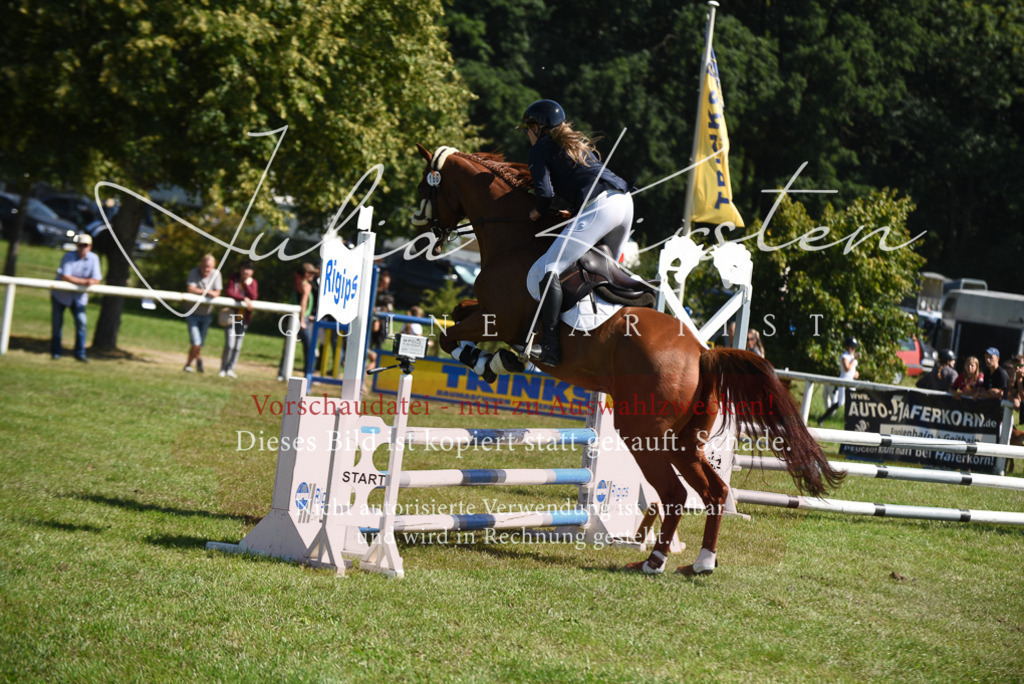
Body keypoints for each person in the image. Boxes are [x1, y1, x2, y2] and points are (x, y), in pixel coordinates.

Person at [519, 99, 634, 366]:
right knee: (605, 271)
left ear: (537, 127)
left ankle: (549, 347)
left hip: (602, 207)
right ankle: (605, 335)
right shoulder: (573, 144)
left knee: (549, 267)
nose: (527, 134)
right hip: (624, 202)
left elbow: (545, 194)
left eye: (527, 128)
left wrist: (538, 212)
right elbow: (583, 181)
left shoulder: (541, 148)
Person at [51, 233, 102, 362]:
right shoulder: (69, 256)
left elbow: (97, 279)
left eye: (85, 245)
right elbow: (65, 276)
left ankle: (80, 353)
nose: (83, 248)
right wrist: (85, 282)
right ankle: (56, 352)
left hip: (79, 298)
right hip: (60, 296)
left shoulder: (94, 258)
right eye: (80, 245)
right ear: (76, 246)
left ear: (90, 246)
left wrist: (90, 281)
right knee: (57, 324)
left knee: (82, 323)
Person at [278, 262, 318, 381]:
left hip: (292, 318)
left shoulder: (297, 284)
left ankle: (281, 373)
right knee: (310, 348)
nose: (313, 276)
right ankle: (308, 375)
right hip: (301, 319)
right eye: (312, 273)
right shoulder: (306, 286)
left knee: (288, 346)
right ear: (306, 274)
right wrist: (303, 320)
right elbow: (303, 303)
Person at [183, 254, 223, 373]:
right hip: (192, 313)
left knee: (199, 343)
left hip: (206, 314)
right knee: (196, 341)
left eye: (209, 267)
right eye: (205, 266)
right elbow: (190, 289)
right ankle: (199, 361)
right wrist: (206, 292)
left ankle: (189, 365)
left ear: (213, 266)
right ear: (201, 265)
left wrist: (208, 293)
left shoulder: (216, 274)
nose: (206, 269)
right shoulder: (194, 272)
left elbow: (217, 292)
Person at [219, 260, 258, 379]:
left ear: (252, 271)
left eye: (249, 269)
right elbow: (230, 292)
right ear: (240, 269)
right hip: (231, 316)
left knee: (237, 346)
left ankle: (231, 369)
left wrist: (246, 284)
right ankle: (223, 369)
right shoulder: (234, 278)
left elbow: (254, 296)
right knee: (230, 345)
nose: (246, 271)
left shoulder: (253, 282)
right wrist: (243, 298)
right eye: (244, 268)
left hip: (243, 318)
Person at [817, 336, 859, 426]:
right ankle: (822, 418)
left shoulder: (851, 357)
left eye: (854, 347)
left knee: (853, 402)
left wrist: (856, 374)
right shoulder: (845, 356)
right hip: (843, 382)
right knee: (840, 403)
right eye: (852, 347)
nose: (853, 349)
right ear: (847, 346)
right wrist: (854, 360)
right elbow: (847, 368)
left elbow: (852, 371)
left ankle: (852, 423)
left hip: (851, 382)